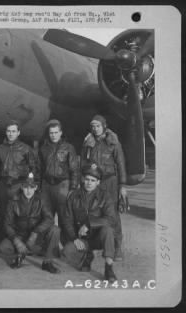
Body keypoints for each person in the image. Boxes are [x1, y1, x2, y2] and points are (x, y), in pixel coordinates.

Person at [81, 115, 127, 261]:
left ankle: (117, 247)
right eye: (93, 126)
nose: (95, 129)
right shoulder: (88, 142)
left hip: (110, 182)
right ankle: (94, 245)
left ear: (104, 126)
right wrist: (83, 182)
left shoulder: (113, 142)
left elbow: (120, 164)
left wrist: (122, 186)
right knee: (93, 211)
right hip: (95, 183)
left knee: (113, 214)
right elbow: (83, 162)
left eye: (98, 126)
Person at [62, 163, 118, 283]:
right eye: (87, 179)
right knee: (67, 251)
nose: (89, 183)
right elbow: (67, 219)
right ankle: (87, 256)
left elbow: (111, 219)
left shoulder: (104, 196)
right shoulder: (73, 196)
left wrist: (88, 224)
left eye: (93, 180)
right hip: (82, 238)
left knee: (107, 229)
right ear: (82, 179)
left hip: (99, 237)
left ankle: (109, 268)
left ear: (98, 182)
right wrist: (74, 238)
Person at [0, 173, 61, 273]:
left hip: (36, 238)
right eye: (26, 187)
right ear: (21, 187)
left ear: (36, 187)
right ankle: (19, 256)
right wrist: (16, 240)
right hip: (20, 235)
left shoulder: (41, 200)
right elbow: (7, 224)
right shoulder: (13, 201)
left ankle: (47, 262)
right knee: (3, 247)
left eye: (31, 187)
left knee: (55, 230)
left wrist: (36, 232)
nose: (28, 190)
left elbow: (49, 219)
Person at [0, 120, 38, 239]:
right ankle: (1, 240)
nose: (11, 134)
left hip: (18, 185)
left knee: (18, 213)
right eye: (8, 131)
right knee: (1, 212)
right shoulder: (0, 149)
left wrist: (28, 183)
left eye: (13, 131)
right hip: (2, 185)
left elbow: (33, 167)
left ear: (18, 132)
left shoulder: (26, 149)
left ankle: (19, 239)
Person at [39, 119, 79, 232]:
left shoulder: (68, 148)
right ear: (48, 133)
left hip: (62, 185)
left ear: (60, 133)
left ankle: (66, 245)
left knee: (64, 217)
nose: (53, 135)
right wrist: (38, 186)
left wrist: (73, 188)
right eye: (51, 133)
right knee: (46, 216)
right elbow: (39, 169)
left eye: (56, 132)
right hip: (47, 185)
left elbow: (74, 169)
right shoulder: (43, 148)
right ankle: (48, 244)